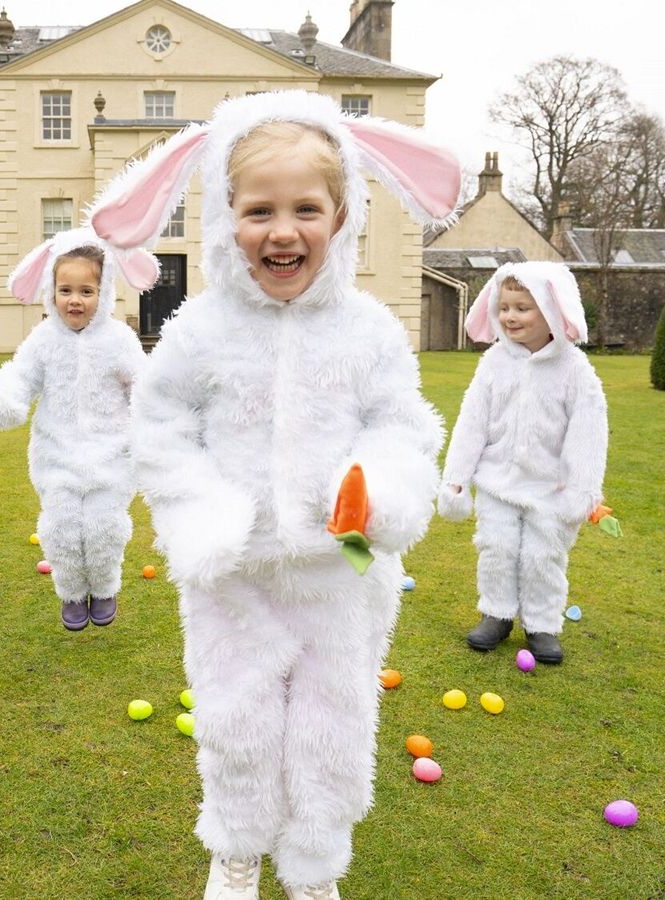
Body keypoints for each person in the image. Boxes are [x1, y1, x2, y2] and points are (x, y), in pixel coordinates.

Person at [89, 91, 460, 900]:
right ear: (228, 220)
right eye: (260, 210)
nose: (282, 230)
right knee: (236, 721)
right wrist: (201, 513)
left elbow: (404, 426)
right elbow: (159, 423)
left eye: (305, 209)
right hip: (234, 575)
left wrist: (377, 487)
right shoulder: (198, 328)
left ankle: (316, 864)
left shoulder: (369, 331)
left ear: (343, 216)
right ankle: (237, 849)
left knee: (335, 727)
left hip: (339, 576)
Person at [436, 261, 608, 664]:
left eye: (522, 308)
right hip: (498, 481)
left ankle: (542, 622)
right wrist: (457, 478)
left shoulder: (575, 371)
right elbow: (472, 422)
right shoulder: (494, 363)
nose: (510, 317)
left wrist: (582, 489)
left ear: (550, 311)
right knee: (496, 547)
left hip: (551, 488)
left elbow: (588, 433)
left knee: (542, 556)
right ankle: (496, 613)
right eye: (505, 307)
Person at [0, 227, 153, 631]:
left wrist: (160, 421)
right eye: (65, 290)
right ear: (52, 291)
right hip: (56, 455)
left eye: (86, 291)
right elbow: (19, 374)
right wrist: (9, 399)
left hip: (111, 456)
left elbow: (145, 386)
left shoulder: (119, 340)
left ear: (104, 292)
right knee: (60, 529)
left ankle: (104, 586)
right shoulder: (43, 340)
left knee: (103, 529)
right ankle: (72, 593)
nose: (74, 300)